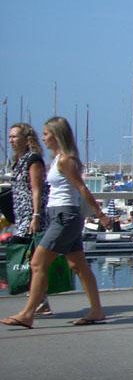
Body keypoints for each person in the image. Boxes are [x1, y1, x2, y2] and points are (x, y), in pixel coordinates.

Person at [2, 116, 111, 329]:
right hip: (59, 216)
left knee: (37, 263)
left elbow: (82, 189)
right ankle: (97, 310)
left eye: (46, 134)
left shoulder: (65, 160)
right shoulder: (58, 158)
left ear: (57, 134)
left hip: (65, 217)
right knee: (78, 265)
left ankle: (28, 314)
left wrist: (100, 215)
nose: (43, 138)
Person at [7, 123, 54, 316]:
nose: (11, 140)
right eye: (10, 137)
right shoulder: (17, 161)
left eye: (15, 136)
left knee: (31, 258)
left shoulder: (33, 160)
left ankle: (38, 302)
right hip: (21, 214)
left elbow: (37, 189)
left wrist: (35, 216)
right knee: (31, 259)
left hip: (31, 215)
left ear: (27, 139)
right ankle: (41, 301)